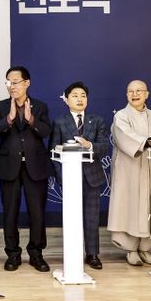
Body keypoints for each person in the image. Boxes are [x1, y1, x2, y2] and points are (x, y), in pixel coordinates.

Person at [0, 66, 53, 272]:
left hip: (36, 166)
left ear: (27, 83)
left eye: (15, 82)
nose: (11, 86)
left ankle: (36, 254)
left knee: (37, 213)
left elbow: (46, 131)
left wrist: (30, 119)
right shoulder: (0, 106)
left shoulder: (40, 106)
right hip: (9, 166)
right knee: (10, 213)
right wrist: (9, 118)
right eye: (8, 82)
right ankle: (13, 254)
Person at [107, 80, 151, 266]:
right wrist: (147, 142)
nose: (135, 94)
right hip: (130, 169)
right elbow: (124, 137)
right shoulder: (121, 116)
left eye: (139, 91)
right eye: (131, 91)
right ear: (127, 95)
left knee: (150, 206)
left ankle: (146, 248)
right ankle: (131, 249)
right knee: (130, 206)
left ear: (146, 94)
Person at [49, 81, 109, 270]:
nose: (80, 99)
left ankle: (92, 254)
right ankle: (72, 252)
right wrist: (61, 178)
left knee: (92, 217)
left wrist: (89, 145)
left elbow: (104, 147)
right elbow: (53, 152)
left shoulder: (97, 120)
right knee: (72, 217)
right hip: (70, 176)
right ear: (66, 100)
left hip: (92, 176)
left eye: (83, 95)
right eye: (75, 96)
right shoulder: (59, 122)